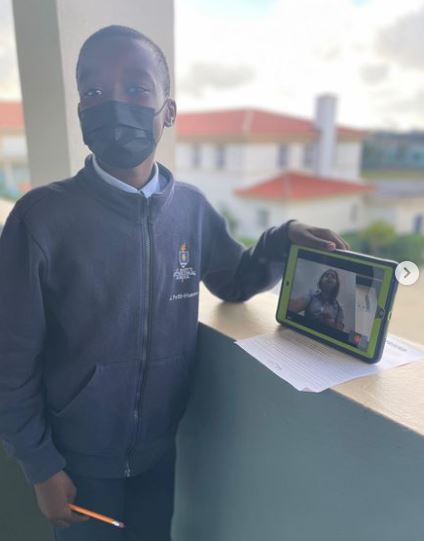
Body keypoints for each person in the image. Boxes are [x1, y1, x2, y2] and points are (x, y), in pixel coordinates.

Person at [0, 25, 349, 541]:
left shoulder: (190, 209)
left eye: (137, 89)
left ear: (168, 111)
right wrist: (40, 466)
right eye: (94, 92)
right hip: (75, 462)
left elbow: (234, 279)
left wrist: (282, 239)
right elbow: (10, 358)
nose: (114, 105)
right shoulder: (40, 219)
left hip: (160, 452)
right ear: (80, 112)